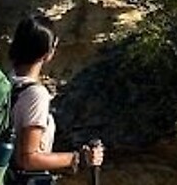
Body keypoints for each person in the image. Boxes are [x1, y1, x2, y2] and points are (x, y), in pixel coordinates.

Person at [8, 13, 105, 184]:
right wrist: (78, 158)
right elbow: (28, 159)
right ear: (47, 53)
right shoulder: (35, 94)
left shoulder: (6, 83)